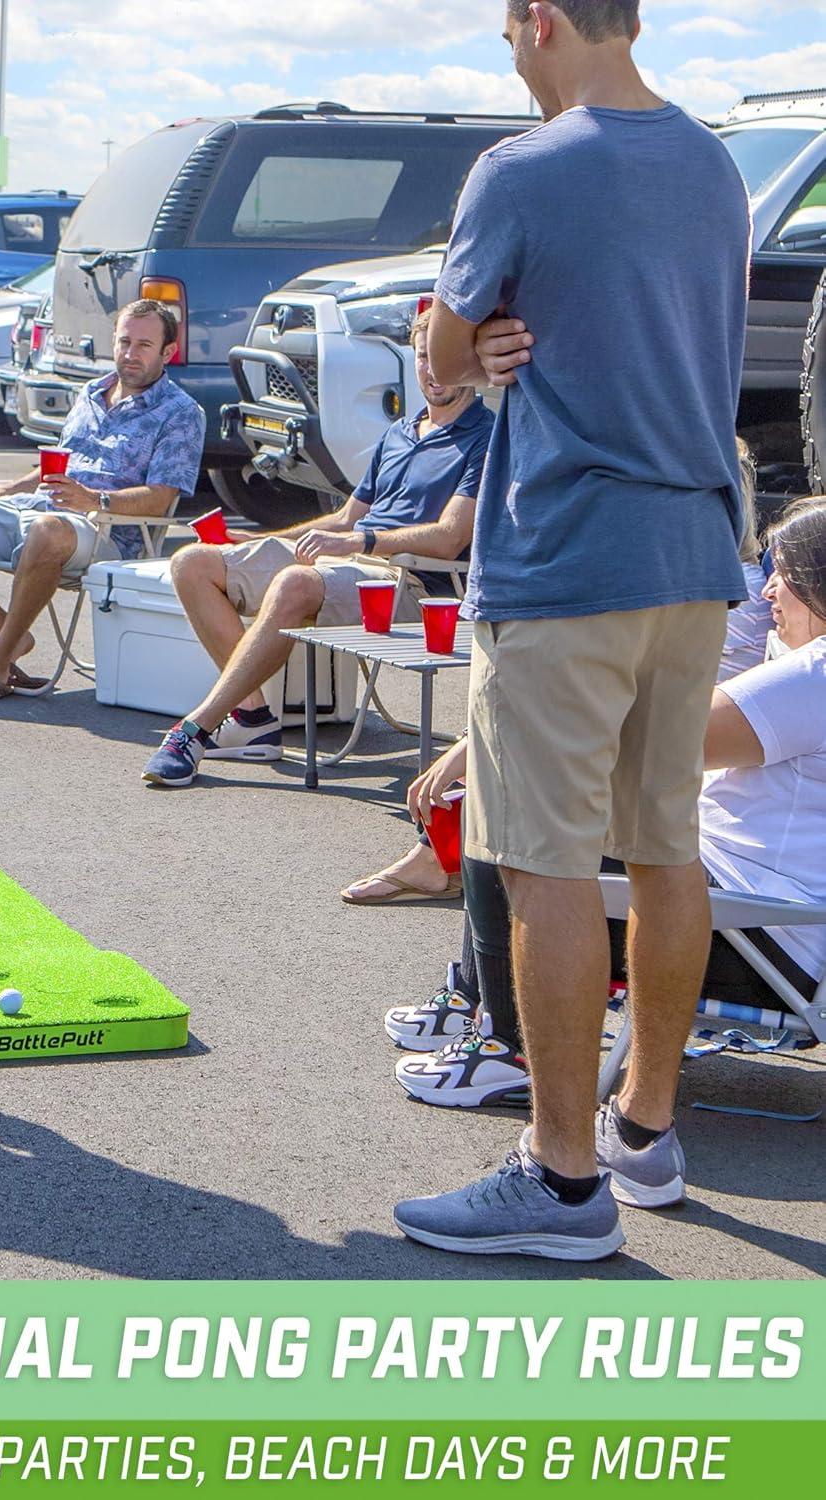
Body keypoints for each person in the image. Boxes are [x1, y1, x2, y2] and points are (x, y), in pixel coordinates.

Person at [395, 0, 752, 1260]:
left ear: (541, 21)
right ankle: (643, 1133)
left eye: (508, 36)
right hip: (693, 551)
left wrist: (464, 343)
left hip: (564, 555)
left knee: (541, 863)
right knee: (664, 849)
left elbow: (442, 363)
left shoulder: (521, 169)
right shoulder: (713, 162)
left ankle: (559, 1181)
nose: (512, 58)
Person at [387, 498, 826, 1148]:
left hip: (747, 940)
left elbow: (653, 739)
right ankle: (480, 1002)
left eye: (781, 575)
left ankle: (508, 1048)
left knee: (515, 820)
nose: (766, 592)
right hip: (773, 932)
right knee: (528, 800)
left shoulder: (812, 677)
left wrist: (494, 730)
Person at [343, 437, 768, 905]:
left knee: (523, 753)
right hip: (664, 749)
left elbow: (595, 686)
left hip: (671, 761)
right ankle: (441, 864)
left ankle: (446, 877)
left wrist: (473, 746)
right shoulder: (723, 588)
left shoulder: (727, 596)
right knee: (518, 738)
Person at [141, 308, 491, 788]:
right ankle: (252, 718)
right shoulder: (399, 433)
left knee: (295, 582)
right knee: (194, 563)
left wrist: (361, 540)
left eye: (443, 357)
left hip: (412, 581)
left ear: (468, 361)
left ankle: (195, 729)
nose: (433, 371)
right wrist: (266, 540)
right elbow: (345, 517)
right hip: (350, 559)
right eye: (423, 357)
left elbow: (451, 536)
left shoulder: (485, 438)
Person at [0, 300, 205, 704]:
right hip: (41, 506)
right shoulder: (92, 392)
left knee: (47, 532)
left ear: (168, 352)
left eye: (144, 345)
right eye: (124, 341)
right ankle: (12, 635)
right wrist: (13, 486)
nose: (130, 353)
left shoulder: (180, 413)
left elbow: (161, 499)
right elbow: (62, 464)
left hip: (107, 529)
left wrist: (93, 499)